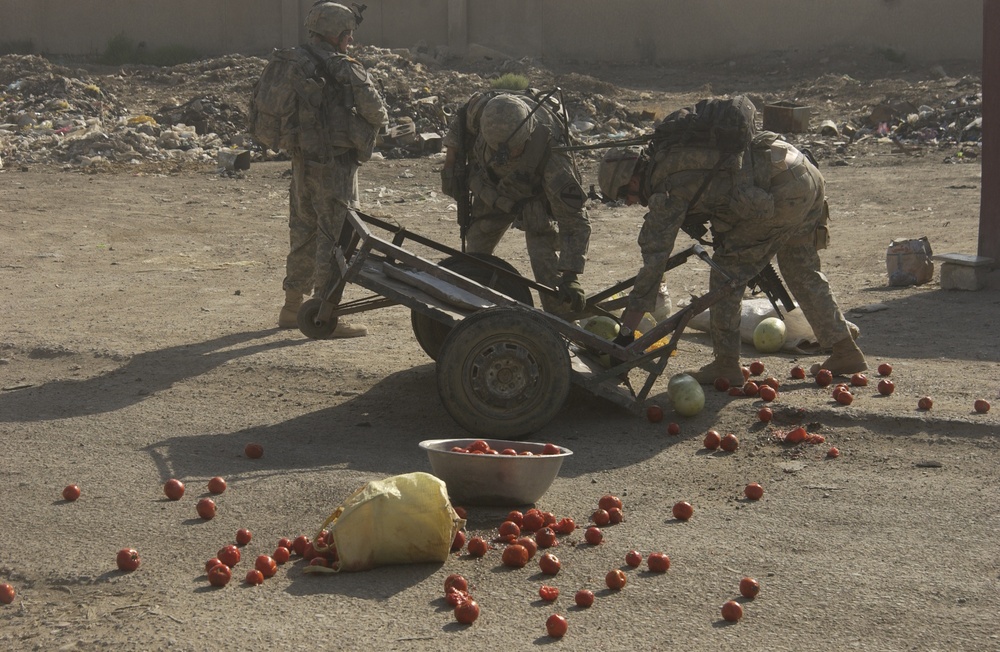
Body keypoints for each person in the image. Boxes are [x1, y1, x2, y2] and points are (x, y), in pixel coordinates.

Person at [598, 130, 867, 386]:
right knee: (801, 270)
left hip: (780, 191)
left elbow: (654, 265)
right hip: (801, 170)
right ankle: (845, 350)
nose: (631, 203)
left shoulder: (666, 185)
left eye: (626, 196)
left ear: (633, 180)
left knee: (726, 272)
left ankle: (726, 364)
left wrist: (624, 336)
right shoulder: (671, 153)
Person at [277, 2, 389, 336]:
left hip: (301, 164)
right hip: (335, 168)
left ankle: (291, 308)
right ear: (336, 33)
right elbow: (377, 113)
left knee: (303, 233)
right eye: (348, 34)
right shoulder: (342, 67)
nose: (351, 41)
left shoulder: (294, 62)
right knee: (336, 239)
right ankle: (324, 315)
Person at [440, 91, 591, 315]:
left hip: (534, 197)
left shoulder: (554, 158)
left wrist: (571, 275)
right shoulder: (483, 112)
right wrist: (451, 161)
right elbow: (461, 121)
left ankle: (561, 318)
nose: (507, 156)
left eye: (515, 150)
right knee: (477, 244)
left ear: (528, 135)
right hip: (491, 187)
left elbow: (575, 221)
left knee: (542, 255)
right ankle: (472, 308)